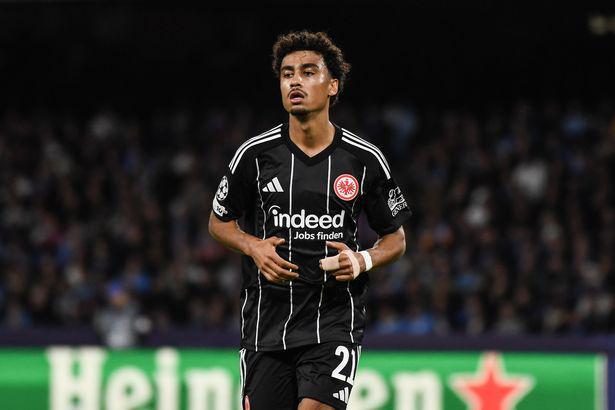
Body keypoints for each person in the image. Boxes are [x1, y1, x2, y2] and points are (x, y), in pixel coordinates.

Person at [208, 30, 411, 410]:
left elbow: (395, 239)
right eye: (287, 74)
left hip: (333, 321)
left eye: (308, 72)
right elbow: (219, 222)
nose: (295, 82)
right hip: (266, 325)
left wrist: (361, 260)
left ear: (333, 85)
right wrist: (253, 246)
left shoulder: (363, 159)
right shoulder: (254, 155)